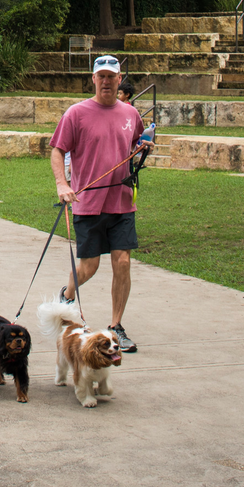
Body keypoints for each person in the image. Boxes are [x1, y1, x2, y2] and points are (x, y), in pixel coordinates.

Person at [48, 54, 146, 353]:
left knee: (123, 262)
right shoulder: (76, 113)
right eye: (101, 76)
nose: (106, 81)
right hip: (88, 202)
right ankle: (66, 295)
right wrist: (62, 184)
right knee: (89, 267)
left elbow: (136, 143)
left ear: (119, 80)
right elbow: (57, 150)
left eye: (111, 76)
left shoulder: (131, 114)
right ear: (93, 79)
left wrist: (144, 147)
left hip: (122, 201)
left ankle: (116, 327)